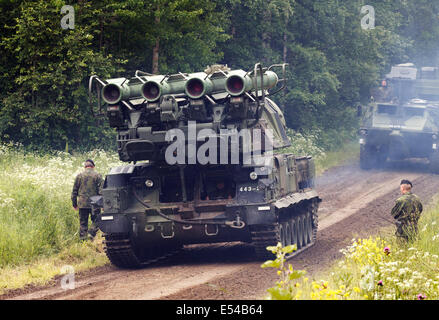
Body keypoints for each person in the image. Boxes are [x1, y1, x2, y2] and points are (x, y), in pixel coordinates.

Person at [71, 159, 104, 240]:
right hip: (95, 203)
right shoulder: (98, 175)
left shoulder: (79, 176)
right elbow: (101, 191)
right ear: (93, 167)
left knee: (83, 223)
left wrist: (74, 204)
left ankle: (83, 240)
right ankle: (91, 233)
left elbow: (74, 192)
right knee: (97, 220)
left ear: (85, 167)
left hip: (82, 204)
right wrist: (103, 204)